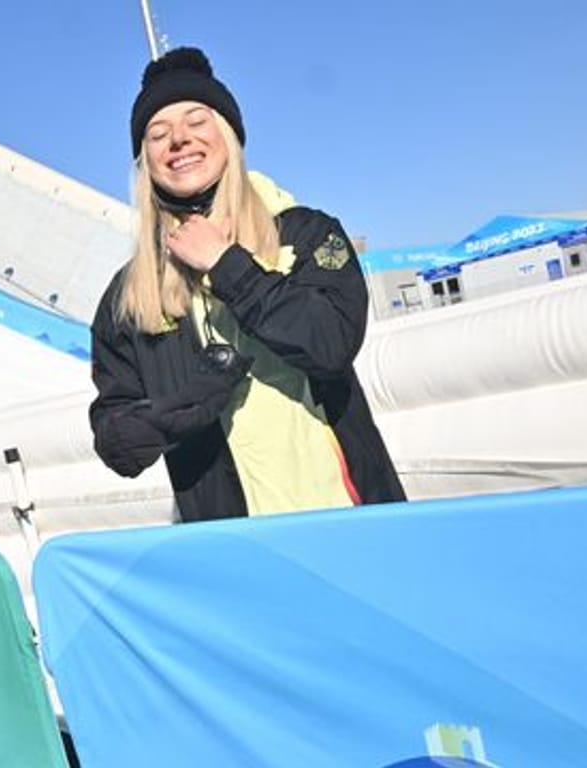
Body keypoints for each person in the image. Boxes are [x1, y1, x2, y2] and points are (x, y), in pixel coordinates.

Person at [89, 47, 405, 523]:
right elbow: (119, 447)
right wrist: (190, 402)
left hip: (355, 522)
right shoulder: (129, 296)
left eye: (197, 121)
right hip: (237, 552)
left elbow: (331, 344)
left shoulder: (306, 233)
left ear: (229, 135)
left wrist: (226, 265)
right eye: (157, 134)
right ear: (145, 161)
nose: (178, 140)